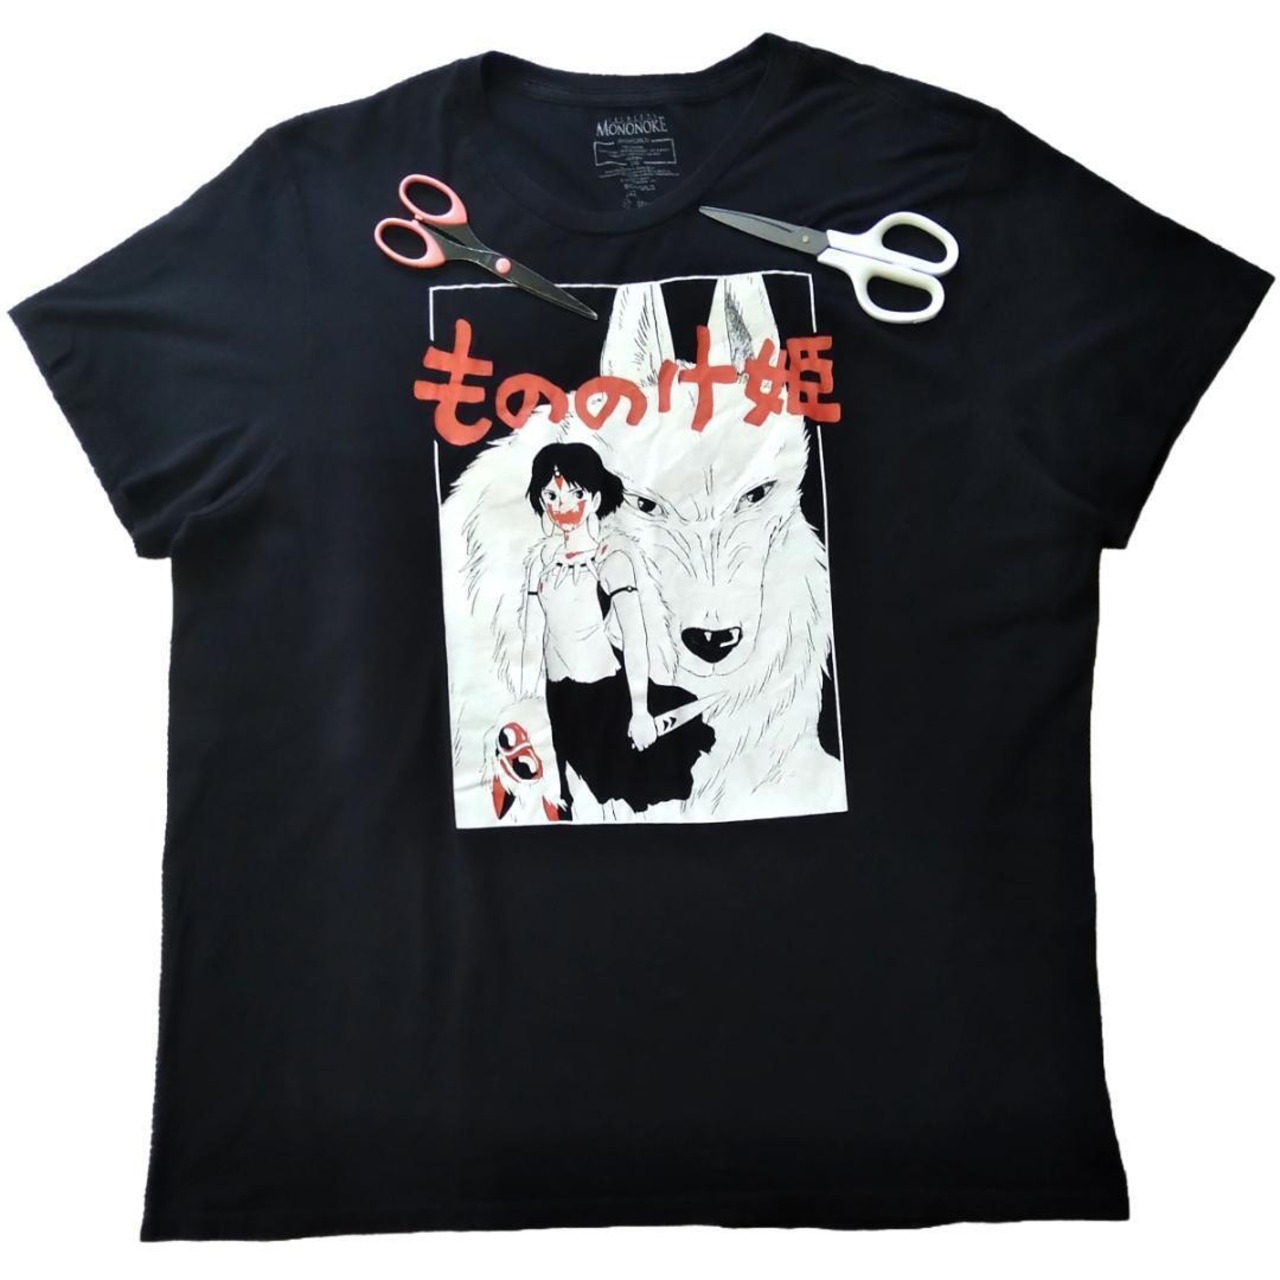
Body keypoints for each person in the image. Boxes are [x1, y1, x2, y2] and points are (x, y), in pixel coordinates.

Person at [517, 441, 714, 819]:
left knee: (613, 794)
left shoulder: (612, 559)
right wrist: (527, 700)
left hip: (604, 695)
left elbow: (635, 637)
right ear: (541, 499)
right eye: (552, 496)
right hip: (554, 697)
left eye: (575, 494)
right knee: (560, 796)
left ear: (594, 497)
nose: (562, 506)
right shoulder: (541, 560)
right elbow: (531, 635)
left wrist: (640, 712)